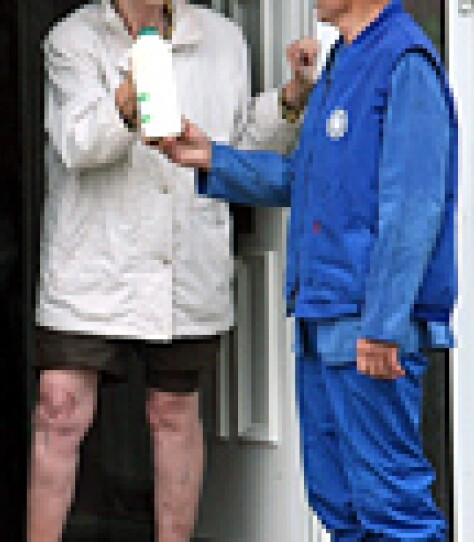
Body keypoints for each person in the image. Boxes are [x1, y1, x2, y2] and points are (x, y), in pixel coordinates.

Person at [156, 0, 457, 540]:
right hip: (320, 318)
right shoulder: (343, 60)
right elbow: (306, 177)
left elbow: (414, 206)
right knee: (337, 504)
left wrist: (384, 325)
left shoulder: (404, 60)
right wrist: (212, 159)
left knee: (392, 508)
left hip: (367, 327)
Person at [27, 1, 316, 541]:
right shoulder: (73, 40)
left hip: (184, 257)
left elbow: (238, 147)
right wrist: (126, 98)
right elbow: (76, 144)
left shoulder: (224, 40)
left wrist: (291, 98)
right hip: (94, 259)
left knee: (173, 412)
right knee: (58, 410)